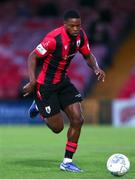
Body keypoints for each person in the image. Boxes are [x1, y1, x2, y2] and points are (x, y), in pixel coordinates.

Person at [23, 10, 105, 173]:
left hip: (63, 82)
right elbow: (33, 56)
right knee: (57, 128)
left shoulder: (81, 36)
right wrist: (32, 81)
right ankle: (39, 106)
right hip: (45, 85)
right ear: (65, 25)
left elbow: (88, 55)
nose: (76, 29)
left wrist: (96, 68)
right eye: (72, 26)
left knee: (78, 119)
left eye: (78, 25)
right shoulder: (53, 39)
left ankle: (67, 162)